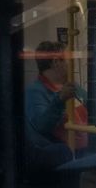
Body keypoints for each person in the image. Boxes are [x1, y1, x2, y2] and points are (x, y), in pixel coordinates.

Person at [24, 41, 89, 173]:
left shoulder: (74, 88)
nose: (71, 64)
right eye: (67, 60)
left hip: (85, 149)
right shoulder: (35, 92)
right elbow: (42, 125)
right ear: (55, 62)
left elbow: (95, 107)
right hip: (62, 154)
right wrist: (60, 100)